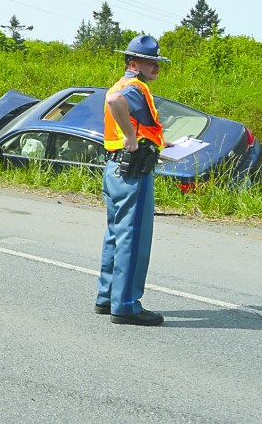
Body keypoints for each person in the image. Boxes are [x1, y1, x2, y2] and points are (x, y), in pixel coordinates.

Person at [94, 34, 170, 326]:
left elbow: (119, 106)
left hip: (115, 168)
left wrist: (154, 142)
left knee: (115, 234)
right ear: (134, 63)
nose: (156, 67)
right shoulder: (135, 88)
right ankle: (125, 305)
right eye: (151, 62)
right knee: (133, 237)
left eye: (158, 62)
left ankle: (107, 297)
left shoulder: (120, 84)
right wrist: (130, 137)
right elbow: (116, 103)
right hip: (132, 172)